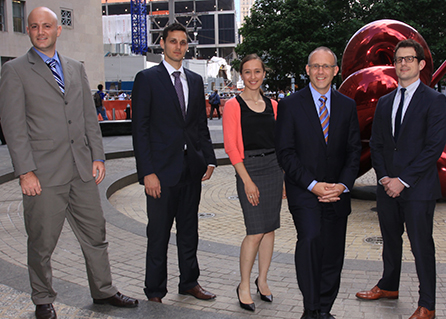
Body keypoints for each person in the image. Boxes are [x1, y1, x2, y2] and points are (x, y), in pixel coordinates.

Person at [0, 7, 138, 319]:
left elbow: (89, 118)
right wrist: (25, 171)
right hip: (43, 175)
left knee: (96, 234)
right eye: (34, 26)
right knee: (42, 241)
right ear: (30, 31)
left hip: (82, 170)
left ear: (57, 30)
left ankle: (103, 290)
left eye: (46, 25)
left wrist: (98, 155)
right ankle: (43, 298)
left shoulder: (76, 67)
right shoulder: (16, 70)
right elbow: (13, 126)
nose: (40, 31)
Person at [356, 39, 446, 319]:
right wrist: (384, 177)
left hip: (418, 188)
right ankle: (389, 285)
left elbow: (434, 147)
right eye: (398, 59)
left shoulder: (435, 100)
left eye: (409, 59)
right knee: (390, 241)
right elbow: (378, 143)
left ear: (420, 65)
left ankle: (427, 305)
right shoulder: (385, 102)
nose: (403, 64)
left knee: (421, 246)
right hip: (388, 187)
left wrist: (403, 180)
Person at [131, 22, 217, 304]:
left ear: (187, 46)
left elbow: (199, 125)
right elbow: (140, 130)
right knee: (158, 234)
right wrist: (148, 173)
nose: (178, 46)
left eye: (182, 42)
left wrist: (210, 159)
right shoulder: (147, 79)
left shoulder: (194, 80)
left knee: (189, 230)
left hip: (190, 169)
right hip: (161, 173)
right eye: (173, 41)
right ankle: (155, 291)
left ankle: (189, 282)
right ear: (163, 44)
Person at [275, 47, 361, 319]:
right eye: (315, 66)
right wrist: (313, 185)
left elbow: (354, 151)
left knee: (333, 255)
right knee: (311, 241)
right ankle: (311, 309)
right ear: (307, 69)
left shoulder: (347, 106)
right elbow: (285, 153)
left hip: (338, 194)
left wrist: (342, 185)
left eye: (326, 66)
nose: (321, 71)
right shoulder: (290, 104)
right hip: (304, 192)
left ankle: (324, 309)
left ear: (336, 71)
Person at [223, 54, 283, 312]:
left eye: (257, 71)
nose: (253, 76)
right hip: (248, 169)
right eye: (247, 72)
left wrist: (283, 179)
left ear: (263, 74)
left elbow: (281, 144)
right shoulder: (233, 106)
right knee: (255, 231)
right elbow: (232, 148)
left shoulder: (275, 105)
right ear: (241, 75)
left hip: (273, 169)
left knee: (269, 229)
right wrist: (246, 181)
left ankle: (263, 280)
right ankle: (244, 285)